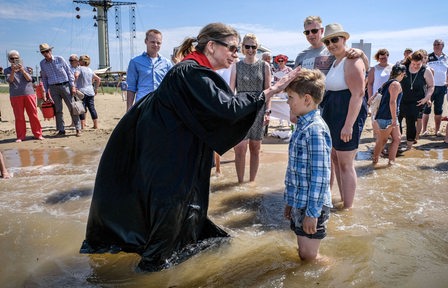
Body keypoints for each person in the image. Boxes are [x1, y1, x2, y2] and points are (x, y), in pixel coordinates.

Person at [80, 22, 300, 272]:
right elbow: (228, 109)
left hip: (176, 158)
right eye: (232, 48)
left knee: (185, 216)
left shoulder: (193, 71)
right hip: (169, 162)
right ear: (211, 46)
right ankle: (149, 271)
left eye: (238, 49)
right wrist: (270, 91)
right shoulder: (190, 72)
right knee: (169, 214)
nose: (235, 54)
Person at [283, 68, 332, 261]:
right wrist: (289, 200)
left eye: (290, 97)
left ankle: (336, 274)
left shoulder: (315, 130)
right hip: (299, 200)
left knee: (310, 256)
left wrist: (312, 213)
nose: (287, 102)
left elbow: (320, 177)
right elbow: (294, 169)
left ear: (307, 99)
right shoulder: (302, 125)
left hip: (312, 205)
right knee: (303, 252)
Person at [320, 23, 366, 209]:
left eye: (335, 39)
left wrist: (348, 125)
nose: (331, 44)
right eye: (328, 41)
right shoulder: (335, 61)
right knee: (336, 159)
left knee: (346, 163)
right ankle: (341, 200)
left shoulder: (352, 60)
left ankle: (348, 210)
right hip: (332, 113)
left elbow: (358, 94)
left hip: (346, 115)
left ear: (344, 39)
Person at [230, 33, 272, 183]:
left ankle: (252, 183)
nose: (250, 49)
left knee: (255, 149)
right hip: (241, 110)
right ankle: (240, 183)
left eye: (253, 47)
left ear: (257, 48)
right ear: (242, 48)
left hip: (259, 110)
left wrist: (267, 111)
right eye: (247, 46)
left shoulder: (264, 66)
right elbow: (230, 91)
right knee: (240, 149)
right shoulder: (236, 66)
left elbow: (268, 91)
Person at [39, 43, 82, 136]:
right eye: (43, 52)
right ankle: (61, 129)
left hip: (65, 86)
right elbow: (44, 78)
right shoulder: (42, 63)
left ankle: (78, 128)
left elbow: (69, 73)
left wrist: (73, 86)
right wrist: (46, 91)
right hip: (53, 88)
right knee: (58, 110)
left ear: (50, 51)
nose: (45, 53)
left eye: (47, 51)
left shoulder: (60, 59)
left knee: (72, 107)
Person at [126, 29, 173, 111]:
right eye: (152, 42)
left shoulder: (167, 63)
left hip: (162, 105)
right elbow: (131, 87)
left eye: (158, 43)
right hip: (142, 105)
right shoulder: (135, 62)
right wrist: (129, 108)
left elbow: (171, 86)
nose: (155, 45)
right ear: (146, 41)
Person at [4, 50, 44, 142]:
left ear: (19, 58)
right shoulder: (7, 70)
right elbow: (10, 81)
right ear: (9, 60)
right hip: (15, 95)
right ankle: (20, 136)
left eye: (16, 58)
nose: (14, 60)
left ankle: (38, 134)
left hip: (29, 94)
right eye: (12, 58)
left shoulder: (26, 68)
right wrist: (13, 71)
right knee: (19, 116)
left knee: (33, 115)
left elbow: (29, 79)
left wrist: (22, 70)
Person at [398, 50, 434, 150]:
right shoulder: (403, 68)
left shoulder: (426, 70)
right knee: (397, 120)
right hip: (401, 99)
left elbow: (431, 86)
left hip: (417, 101)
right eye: (413, 64)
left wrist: (426, 98)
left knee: (411, 122)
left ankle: (409, 146)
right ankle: (397, 140)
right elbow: (394, 81)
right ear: (410, 61)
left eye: (418, 64)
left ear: (422, 61)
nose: (415, 66)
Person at [372, 64, 407, 165]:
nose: (404, 77)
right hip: (387, 117)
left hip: (385, 115)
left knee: (397, 139)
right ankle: (374, 161)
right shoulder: (396, 84)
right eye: (404, 74)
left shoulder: (386, 83)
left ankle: (391, 162)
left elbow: (373, 98)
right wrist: (394, 119)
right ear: (401, 74)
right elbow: (392, 102)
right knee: (382, 141)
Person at [422, 39, 448, 136]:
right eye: (434, 44)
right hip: (429, 86)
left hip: (441, 87)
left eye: (438, 44)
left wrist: (447, 82)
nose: (436, 46)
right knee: (426, 109)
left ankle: (437, 131)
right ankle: (424, 130)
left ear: (443, 46)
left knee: (439, 109)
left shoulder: (446, 58)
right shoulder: (428, 57)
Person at [75, 55, 101, 129]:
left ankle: (82, 126)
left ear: (81, 61)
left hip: (81, 91)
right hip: (90, 91)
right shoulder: (90, 70)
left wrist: (74, 84)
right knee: (92, 108)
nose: (78, 61)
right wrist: (96, 89)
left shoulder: (79, 68)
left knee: (81, 109)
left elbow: (76, 75)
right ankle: (95, 125)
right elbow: (98, 79)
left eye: (79, 60)